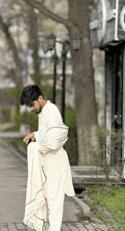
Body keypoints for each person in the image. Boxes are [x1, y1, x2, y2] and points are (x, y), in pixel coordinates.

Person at [20, 85, 75, 231]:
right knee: (47, 198)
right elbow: (48, 132)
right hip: (47, 161)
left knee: (54, 201)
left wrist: (36, 146)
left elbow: (56, 138)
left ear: (40, 98)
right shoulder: (43, 112)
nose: (31, 108)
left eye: (32, 105)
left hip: (55, 161)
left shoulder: (52, 111)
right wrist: (35, 135)